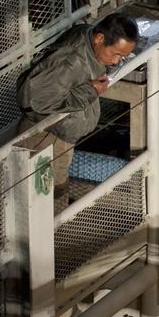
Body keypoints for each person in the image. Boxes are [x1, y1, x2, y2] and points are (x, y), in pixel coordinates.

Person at [16, 11, 139, 200]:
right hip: (44, 136)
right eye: (115, 54)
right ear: (100, 38)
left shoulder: (90, 39)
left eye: (122, 57)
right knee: (45, 196)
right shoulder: (70, 60)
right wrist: (91, 90)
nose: (116, 62)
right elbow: (35, 102)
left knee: (56, 191)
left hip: (62, 134)